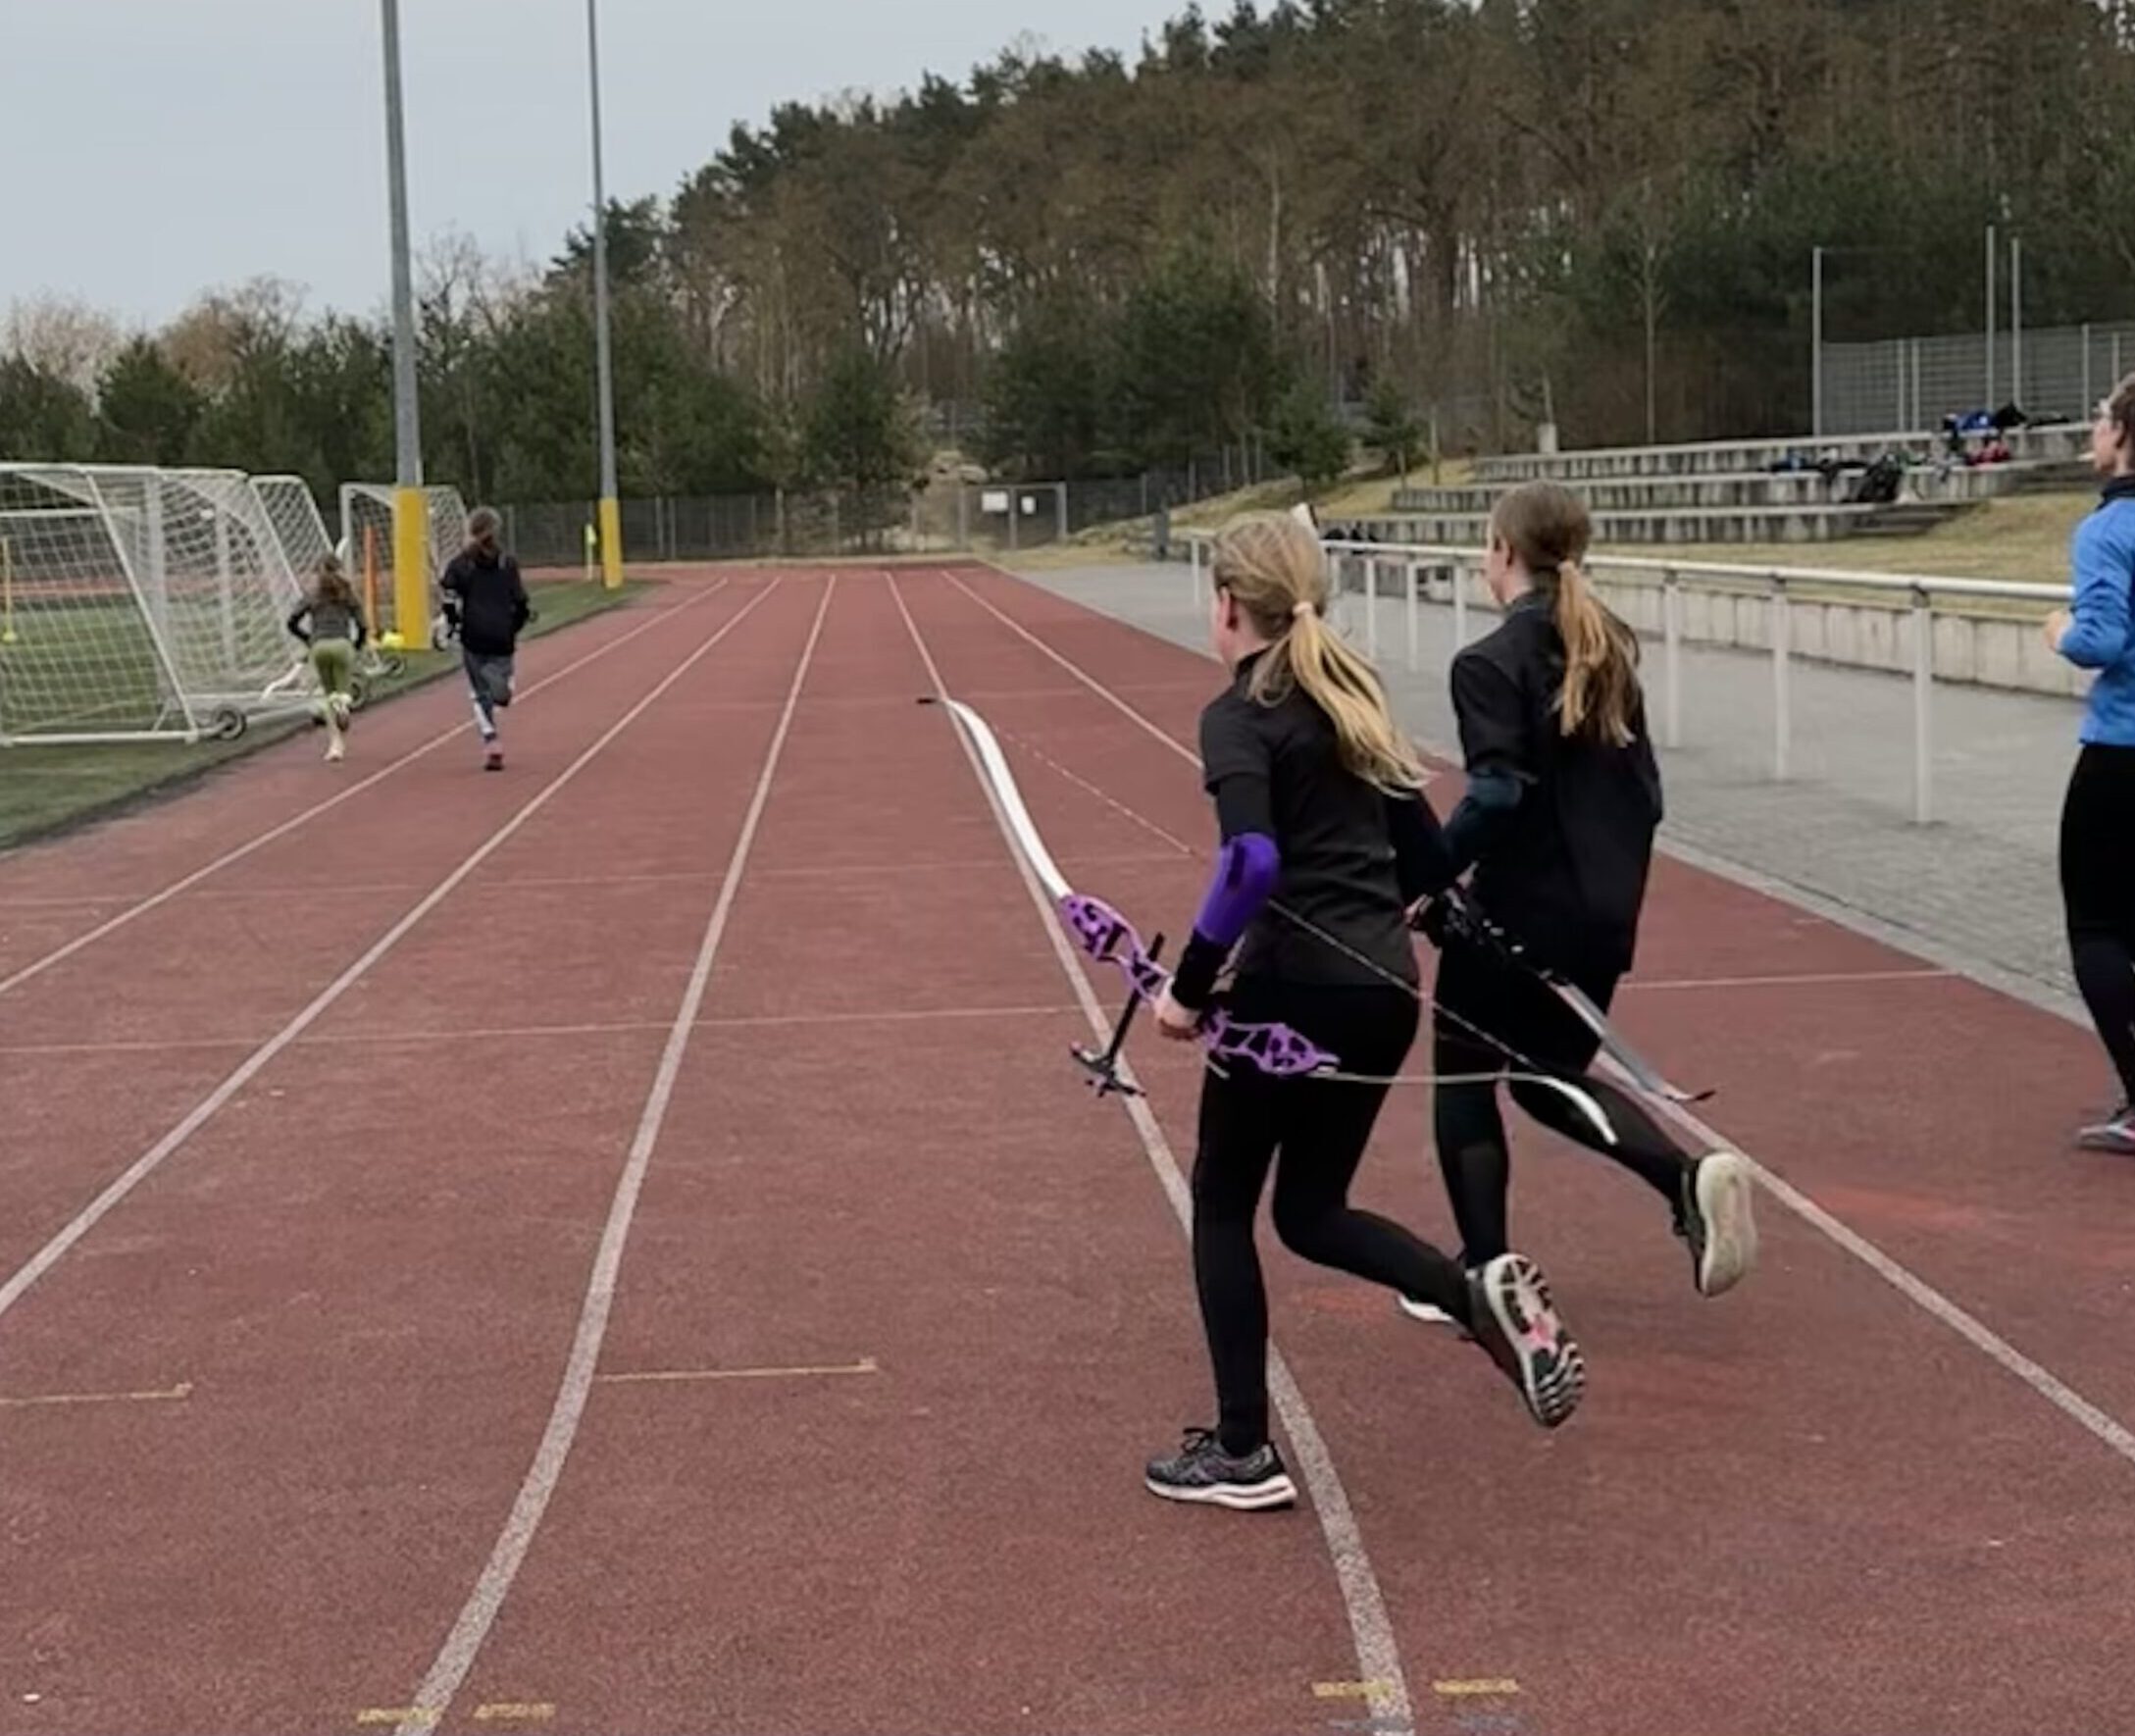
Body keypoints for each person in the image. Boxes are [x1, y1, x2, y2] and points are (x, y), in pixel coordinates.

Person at [1142, 511, 1586, 1514]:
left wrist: (1190, 985)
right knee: (1306, 1211)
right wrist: (1447, 919)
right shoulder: (1351, 695)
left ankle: (1241, 1451)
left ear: (1224, 606)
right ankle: (1471, 1294)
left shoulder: (1240, 712)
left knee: (1220, 1202)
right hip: (1381, 993)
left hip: (1290, 991)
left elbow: (1250, 859)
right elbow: (1425, 859)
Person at [1406, 482, 1756, 1324]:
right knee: (1542, 1077)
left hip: (1517, 914)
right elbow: (1646, 794)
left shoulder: (1488, 662)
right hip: (1603, 910)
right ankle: (1678, 1178)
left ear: (1501, 552)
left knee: (1461, 1079)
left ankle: (1483, 1276)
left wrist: (1427, 872)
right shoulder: (1604, 651)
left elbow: (1495, 795)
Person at [2045, 376, 2135, 1152]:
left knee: (2098, 925)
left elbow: (2099, 641)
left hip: (2122, 751)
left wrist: (2058, 629)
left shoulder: (2108, 529)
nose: (2093, 429)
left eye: (2103, 416)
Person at [441, 506, 532, 771]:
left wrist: (453, 624)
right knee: (501, 686)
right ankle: (503, 687)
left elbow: (448, 597)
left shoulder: (461, 564)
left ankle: (491, 740)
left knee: (478, 693)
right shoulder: (507, 562)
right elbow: (521, 601)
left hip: (473, 633)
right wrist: (515, 627)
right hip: (502, 633)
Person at [285, 553, 367, 764]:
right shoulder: (347, 594)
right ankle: (345, 707)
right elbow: (363, 625)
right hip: (342, 644)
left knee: (329, 694)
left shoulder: (312, 595)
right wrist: (357, 645)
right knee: (343, 689)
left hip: (320, 646)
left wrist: (309, 639)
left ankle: (335, 745)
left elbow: (292, 622)